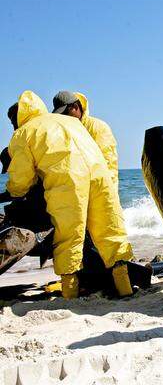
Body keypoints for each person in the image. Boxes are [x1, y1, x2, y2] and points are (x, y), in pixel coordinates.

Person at [4, 90, 134, 299]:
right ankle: (125, 289)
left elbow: (21, 178)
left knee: (69, 238)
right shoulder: (73, 122)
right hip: (100, 178)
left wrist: (14, 192)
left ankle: (70, 296)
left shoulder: (24, 132)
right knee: (110, 233)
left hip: (68, 182)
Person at [52, 91, 120, 188]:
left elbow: (108, 163)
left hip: (101, 188)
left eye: (65, 113)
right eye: (60, 114)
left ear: (75, 107)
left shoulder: (98, 127)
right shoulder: (64, 129)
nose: (63, 117)